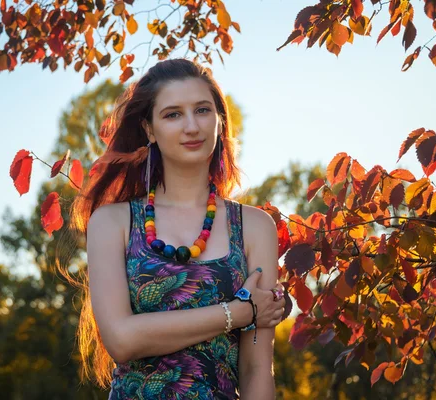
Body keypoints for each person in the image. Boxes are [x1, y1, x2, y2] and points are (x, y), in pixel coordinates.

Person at [68, 58, 286, 399]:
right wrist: (240, 313)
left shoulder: (255, 227)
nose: (191, 126)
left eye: (202, 110)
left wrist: (249, 315)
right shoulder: (112, 223)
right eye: (173, 114)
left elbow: (256, 368)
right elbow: (122, 340)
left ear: (219, 120)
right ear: (150, 129)